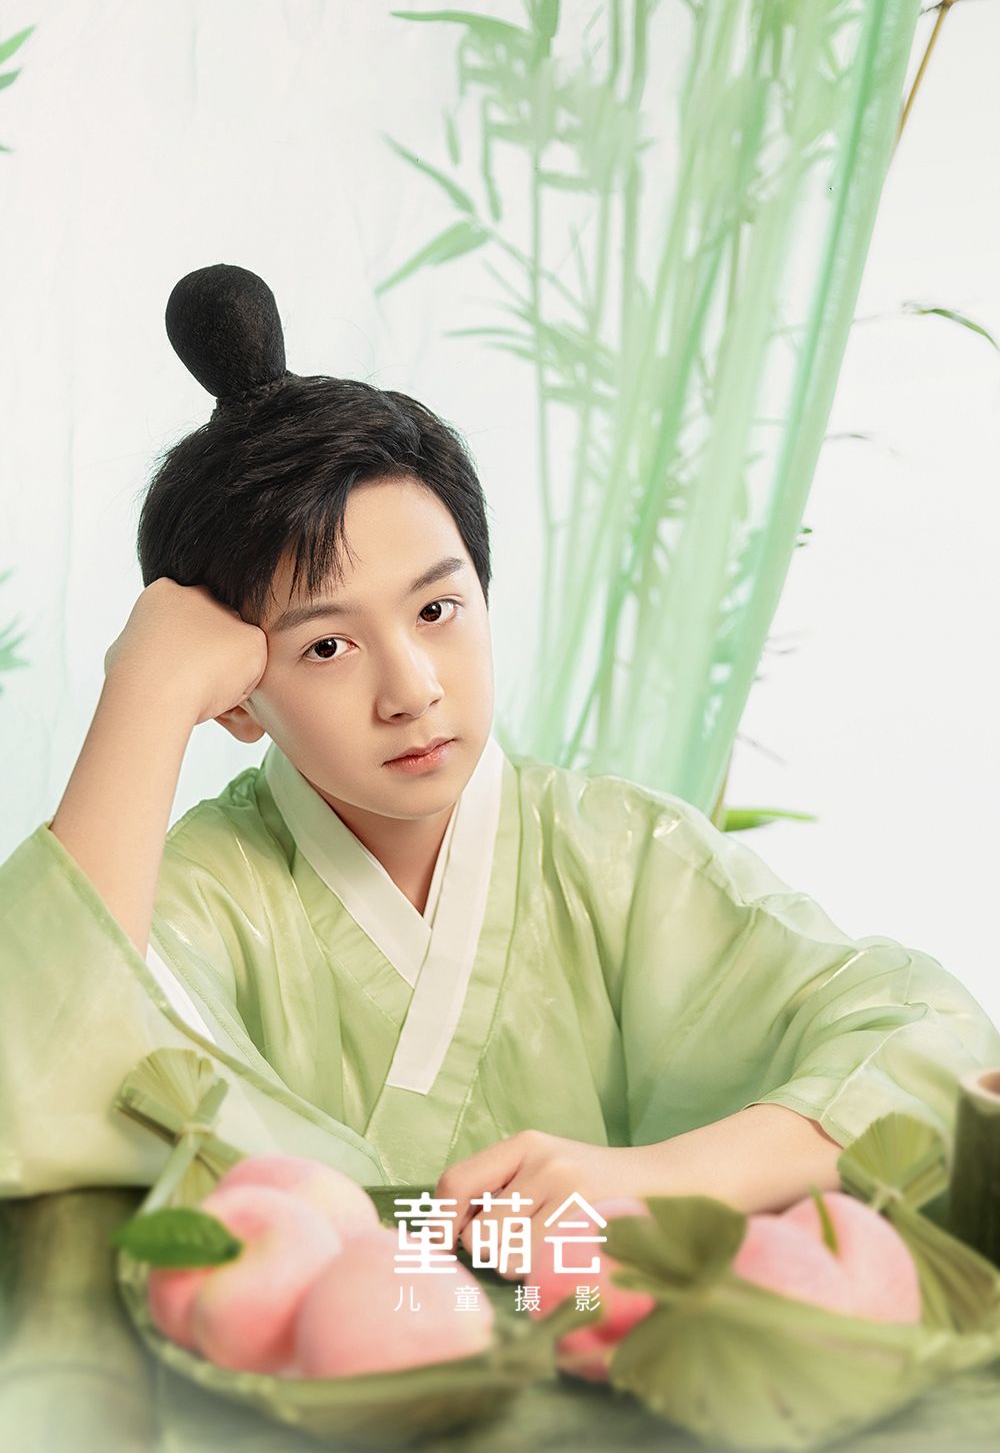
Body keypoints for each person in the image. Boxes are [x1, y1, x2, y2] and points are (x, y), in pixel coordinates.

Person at [2, 265, 998, 1273]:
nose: (413, 689)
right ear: (237, 695)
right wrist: (144, 695)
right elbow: (28, 1078)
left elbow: (935, 1043)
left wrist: (664, 1175)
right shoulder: (194, 894)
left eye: (438, 608)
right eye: (327, 646)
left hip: (605, 1350)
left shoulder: (620, 854)